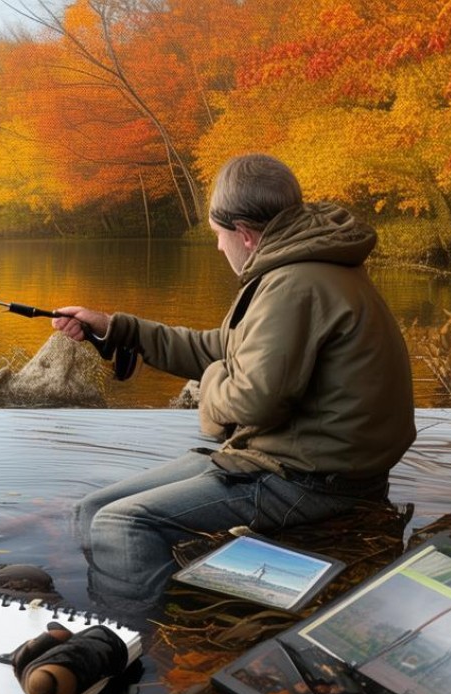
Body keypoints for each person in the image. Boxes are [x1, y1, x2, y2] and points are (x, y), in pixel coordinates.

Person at [52, 153, 415, 623]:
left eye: (219, 237)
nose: (220, 249)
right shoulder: (306, 266)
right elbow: (222, 346)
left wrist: (209, 382)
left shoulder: (294, 284)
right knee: (94, 507)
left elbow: (250, 398)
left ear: (244, 232)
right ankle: (112, 616)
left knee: (122, 522)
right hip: (289, 459)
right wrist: (119, 328)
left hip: (310, 481)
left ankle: (136, 644)